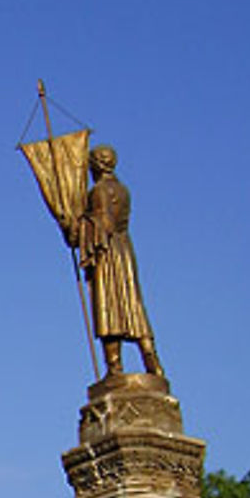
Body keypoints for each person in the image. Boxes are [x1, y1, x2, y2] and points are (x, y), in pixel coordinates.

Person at [76, 145, 163, 377]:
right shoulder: (123, 189)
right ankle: (152, 362)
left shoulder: (99, 192)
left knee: (109, 309)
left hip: (108, 254)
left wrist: (78, 226)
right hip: (124, 250)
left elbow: (104, 226)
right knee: (133, 307)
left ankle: (114, 368)